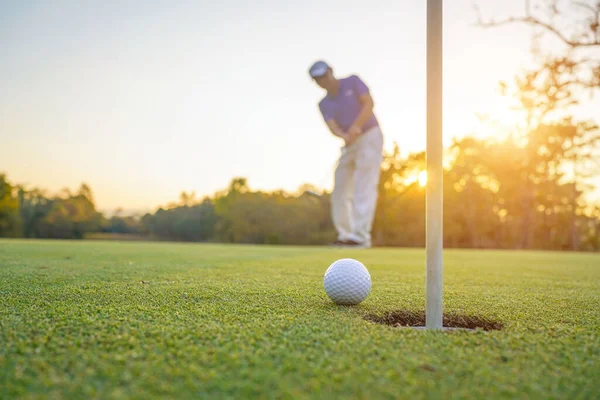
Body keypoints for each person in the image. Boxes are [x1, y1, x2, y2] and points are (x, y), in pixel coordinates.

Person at [309, 60, 384, 248]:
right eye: (318, 79)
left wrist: (356, 126)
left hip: (369, 135)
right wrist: (344, 135)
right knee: (340, 189)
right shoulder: (324, 103)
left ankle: (360, 237)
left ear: (331, 72)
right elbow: (332, 126)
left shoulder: (352, 81)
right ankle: (345, 235)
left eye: (324, 76)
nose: (323, 81)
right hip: (349, 142)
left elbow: (369, 103)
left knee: (363, 184)